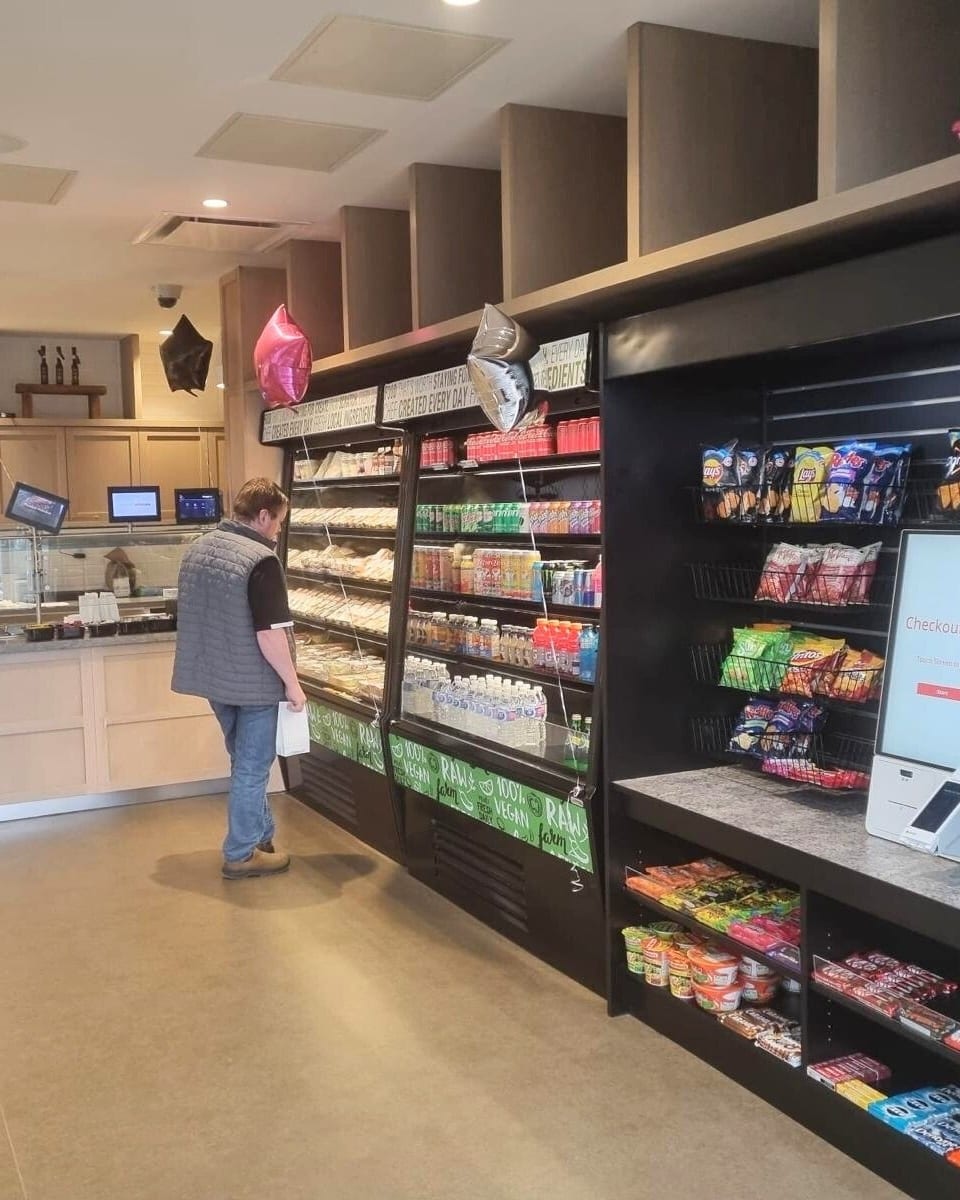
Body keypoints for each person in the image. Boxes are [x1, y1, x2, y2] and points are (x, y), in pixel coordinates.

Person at [172, 477, 306, 879]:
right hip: (253, 682)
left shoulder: (199, 549)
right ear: (263, 515)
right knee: (253, 766)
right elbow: (269, 633)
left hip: (216, 678)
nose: (279, 529)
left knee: (243, 760)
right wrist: (293, 684)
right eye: (279, 521)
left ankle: (261, 834)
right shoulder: (260, 560)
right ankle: (241, 853)